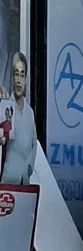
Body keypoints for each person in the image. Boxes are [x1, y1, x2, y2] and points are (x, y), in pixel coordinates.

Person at [0, 51, 35, 185]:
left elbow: (34, 142)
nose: (19, 80)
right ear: (12, 78)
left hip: (24, 180)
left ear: (25, 79)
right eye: (16, 74)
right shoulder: (5, 107)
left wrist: (29, 167)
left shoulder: (30, 112)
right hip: (7, 178)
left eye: (22, 75)